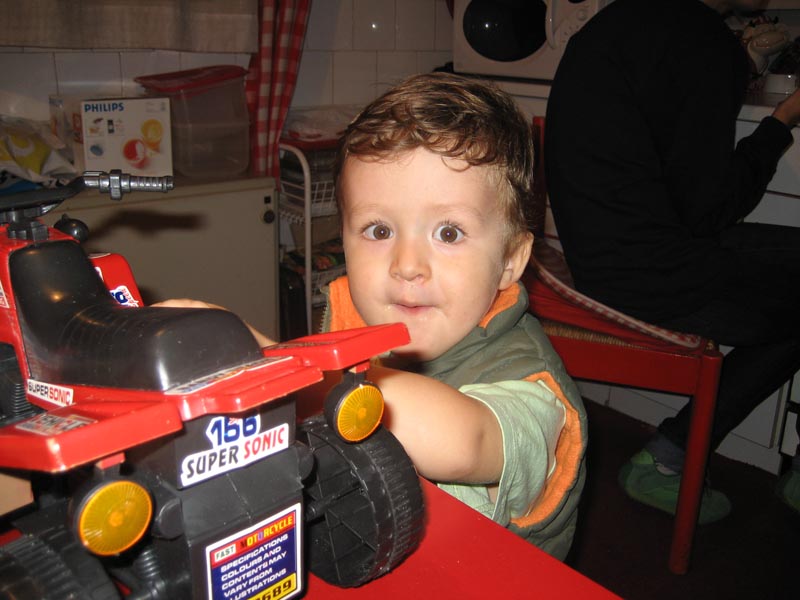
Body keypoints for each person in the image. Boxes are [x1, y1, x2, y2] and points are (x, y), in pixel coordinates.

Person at [157, 72, 588, 559]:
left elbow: (466, 442)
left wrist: (279, 367)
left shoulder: (532, 386)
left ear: (510, 259)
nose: (407, 265)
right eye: (379, 230)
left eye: (448, 233)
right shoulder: (362, 322)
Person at [544, 0, 800, 523]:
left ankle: (669, 456)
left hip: (598, 264)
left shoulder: (612, 25)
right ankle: (669, 458)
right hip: (658, 277)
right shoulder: (702, 41)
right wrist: (782, 120)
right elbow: (709, 211)